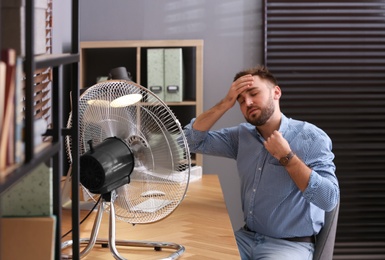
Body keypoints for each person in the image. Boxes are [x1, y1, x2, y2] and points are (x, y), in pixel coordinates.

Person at [183, 65, 340, 259]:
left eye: (253, 93)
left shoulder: (311, 137)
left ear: (276, 92)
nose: (247, 103)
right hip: (246, 238)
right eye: (240, 100)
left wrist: (287, 158)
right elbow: (189, 141)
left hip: (289, 246)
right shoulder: (241, 137)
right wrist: (225, 103)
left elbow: (328, 199)